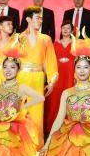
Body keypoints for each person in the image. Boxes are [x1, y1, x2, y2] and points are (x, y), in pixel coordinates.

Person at [15, 7, 59, 139]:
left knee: (37, 111)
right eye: (38, 18)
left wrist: (51, 81)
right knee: (20, 111)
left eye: (41, 18)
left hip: (38, 78)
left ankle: (36, 143)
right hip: (21, 78)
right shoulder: (18, 38)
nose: (41, 21)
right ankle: (19, 143)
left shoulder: (46, 39)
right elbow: (12, 61)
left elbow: (50, 62)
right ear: (28, 19)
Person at [50, 22, 77, 127]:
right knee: (55, 98)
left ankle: (68, 125)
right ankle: (53, 124)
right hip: (58, 75)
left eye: (68, 28)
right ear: (61, 30)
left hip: (70, 75)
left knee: (69, 98)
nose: (65, 30)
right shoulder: (55, 44)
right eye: (63, 28)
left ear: (72, 31)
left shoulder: (75, 44)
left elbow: (78, 61)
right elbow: (51, 61)